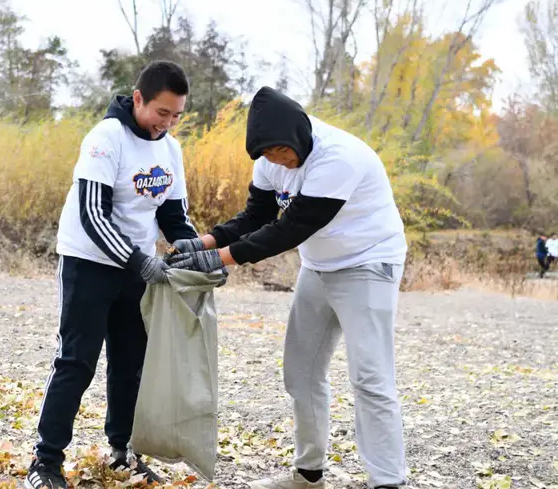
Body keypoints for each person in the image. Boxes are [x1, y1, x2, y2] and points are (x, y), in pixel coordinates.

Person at [167, 86, 408, 489]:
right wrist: (205, 242)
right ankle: (308, 474)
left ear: (298, 133)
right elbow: (256, 216)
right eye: (269, 155)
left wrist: (221, 258)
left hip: (368, 265)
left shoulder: (338, 157)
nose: (279, 161)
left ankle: (388, 481)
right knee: (301, 373)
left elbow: (291, 229)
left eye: (282, 151)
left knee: (370, 377)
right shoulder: (268, 162)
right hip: (318, 267)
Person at [26, 61, 199, 489]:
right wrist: (140, 261)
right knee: (76, 361)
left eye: (177, 115)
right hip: (89, 263)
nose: (168, 123)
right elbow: (92, 214)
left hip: (137, 268)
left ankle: (122, 453)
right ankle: (45, 463)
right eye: (162, 113)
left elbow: (174, 216)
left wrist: (197, 255)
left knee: (131, 365)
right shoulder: (106, 138)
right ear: (138, 98)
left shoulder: (169, 148)